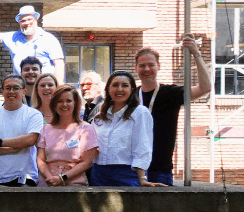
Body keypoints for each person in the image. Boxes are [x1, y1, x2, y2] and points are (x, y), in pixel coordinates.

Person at [135, 37, 212, 185]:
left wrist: (196, 54)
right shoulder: (130, 96)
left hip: (160, 170)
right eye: (142, 65)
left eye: (151, 65)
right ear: (136, 68)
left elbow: (205, 88)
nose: (146, 69)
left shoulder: (170, 93)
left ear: (159, 66)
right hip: (132, 169)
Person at [0, 5, 65, 82]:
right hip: (22, 90)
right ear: (19, 22)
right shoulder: (14, 37)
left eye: (29, 19)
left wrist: (59, 87)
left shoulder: (49, 39)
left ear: (36, 19)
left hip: (44, 89)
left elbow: (59, 64)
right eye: (23, 20)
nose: (26, 23)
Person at [90, 71, 159, 187]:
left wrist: (142, 178)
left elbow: (142, 148)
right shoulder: (99, 117)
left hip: (127, 175)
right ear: (108, 89)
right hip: (98, 174)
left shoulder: (140, 113)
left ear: (132, 90)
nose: (120, 89)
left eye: (125, 85)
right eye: (115, 85)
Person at [0, 75, 44, 186]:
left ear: (24, 92)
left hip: (25, 179)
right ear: (2, 91)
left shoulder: (33, 114)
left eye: (16, 88)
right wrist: (17, 147)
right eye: (8, 88)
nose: (11, 91)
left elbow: (30, 140)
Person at [37, 85, 98, 187]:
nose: (64, 104)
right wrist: (50, 178)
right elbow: (40, 160)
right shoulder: (46, 129)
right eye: (60, 101)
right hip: (47, 183)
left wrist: (62, 178)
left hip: (74, 184)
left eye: (69, 101)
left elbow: (87, 162)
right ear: (54, 104)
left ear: (75, 104)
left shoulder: (86, 129)